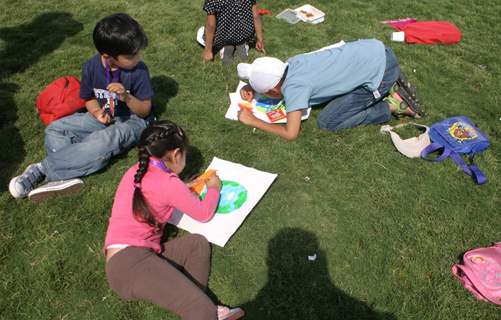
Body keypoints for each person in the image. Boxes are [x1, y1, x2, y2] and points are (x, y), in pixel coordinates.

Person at [104, 120, 244, 320]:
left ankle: (196, 299)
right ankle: (202, 308)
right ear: (177, 153)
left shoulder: (137, 170)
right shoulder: (168, 183)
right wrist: (214, 188)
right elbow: (204, 214)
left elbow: (155, 192)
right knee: (203, 311)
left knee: (197, 244)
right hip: (129, 266)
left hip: (129, 258)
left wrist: (183, 187)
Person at [9, 13, 154, 202]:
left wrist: (126, 97)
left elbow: (145, 110)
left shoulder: (139, 70)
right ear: (107, 56)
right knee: (56, 129)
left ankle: (42, 169)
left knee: (103, 140)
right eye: (130, 55)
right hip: (103, 116)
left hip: (133, 121)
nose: (137, 57)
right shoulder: (91, 67)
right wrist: (95, 112)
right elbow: (88, 98)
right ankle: (65, 174)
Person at [236, 39, 424, 141]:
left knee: (328, 120)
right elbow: (271, 78)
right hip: (375, 49)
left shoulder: (294, 89)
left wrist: (254, 121)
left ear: (273, 91)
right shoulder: (293, 63)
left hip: (381, 72)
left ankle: (392, 104)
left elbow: (291, 133)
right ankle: (388, 81)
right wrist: (252, 85)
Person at [201, 0, 265, 64]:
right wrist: (260, 40)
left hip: (224, 37)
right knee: (241, 33)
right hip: (245, 34)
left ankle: (226, 46)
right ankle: (242, 45)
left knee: (202, 33)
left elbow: (211, 25)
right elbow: (256, 16)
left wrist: (208, 50)